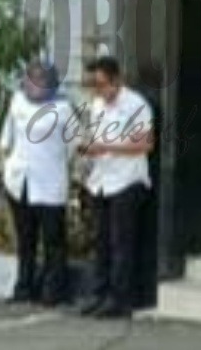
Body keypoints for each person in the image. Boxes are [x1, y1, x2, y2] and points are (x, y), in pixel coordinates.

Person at [79, 56, 154, 320]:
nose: (97, 91)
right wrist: (88, 150)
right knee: (100, 241)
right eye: (93, 86)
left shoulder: (136, 105)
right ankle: (98, 293)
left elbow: (145, 144)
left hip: (127, 180)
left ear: (116, 81)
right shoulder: (97, 105)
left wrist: (108, 148)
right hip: (101, 180)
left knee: (120, 242)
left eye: (101, 85)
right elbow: (94, 137)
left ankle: (120, 298)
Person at [0, 58, 76, 306]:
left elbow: (74, 146)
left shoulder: (64, 109)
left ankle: (53, 291)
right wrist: (5, 166)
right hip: (20, 181)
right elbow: (6, 138)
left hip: (50, 181)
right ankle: (24, 287)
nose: (36, 84)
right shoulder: (17, 102)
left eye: (42, 79)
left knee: (53, 240)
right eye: (32, 79)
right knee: (25, 238)